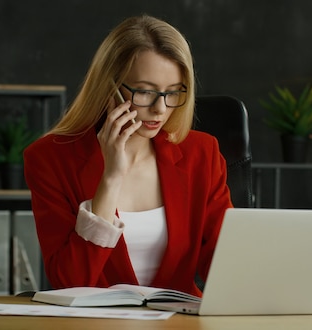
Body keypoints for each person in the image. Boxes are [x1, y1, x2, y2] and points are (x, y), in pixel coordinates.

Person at [24, 15, 233, 297]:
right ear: (108, 87)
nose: (160, 109)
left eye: (173, 92)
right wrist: (111, 178)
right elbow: (69, 282)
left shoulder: (201, 154)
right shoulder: (50, 159)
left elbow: (227, 268)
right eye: (145, 92)